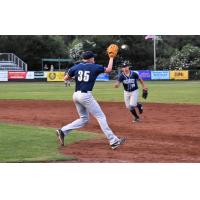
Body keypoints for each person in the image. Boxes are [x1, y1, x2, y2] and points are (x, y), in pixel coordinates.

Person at [56, 51, 125, 150]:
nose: (94, 59)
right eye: (93, 58)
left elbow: (66, 78)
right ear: (90, 59)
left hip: (76, 95)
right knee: (100, 116)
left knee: (84, 119)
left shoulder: (76, 67)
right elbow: (109, 69)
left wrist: (73, 78)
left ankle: (63, 131)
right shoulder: (94, 66)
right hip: (85, 95)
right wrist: (111, 57)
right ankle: (113, 140)